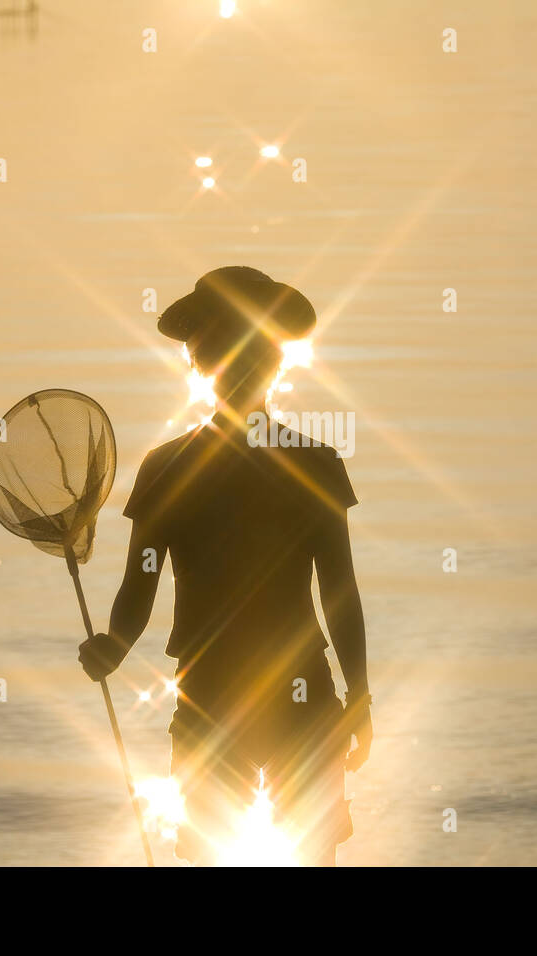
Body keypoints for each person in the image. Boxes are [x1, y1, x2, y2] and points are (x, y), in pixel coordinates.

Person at [78, 266, 371, 866]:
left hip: (214, 692)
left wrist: (116, 643)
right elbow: (339, 590)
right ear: (274, 363)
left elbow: (142, 580)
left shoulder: (169, 466)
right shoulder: (312, 462)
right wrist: (359, 695)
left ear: (200, 363)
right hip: (299, 691)